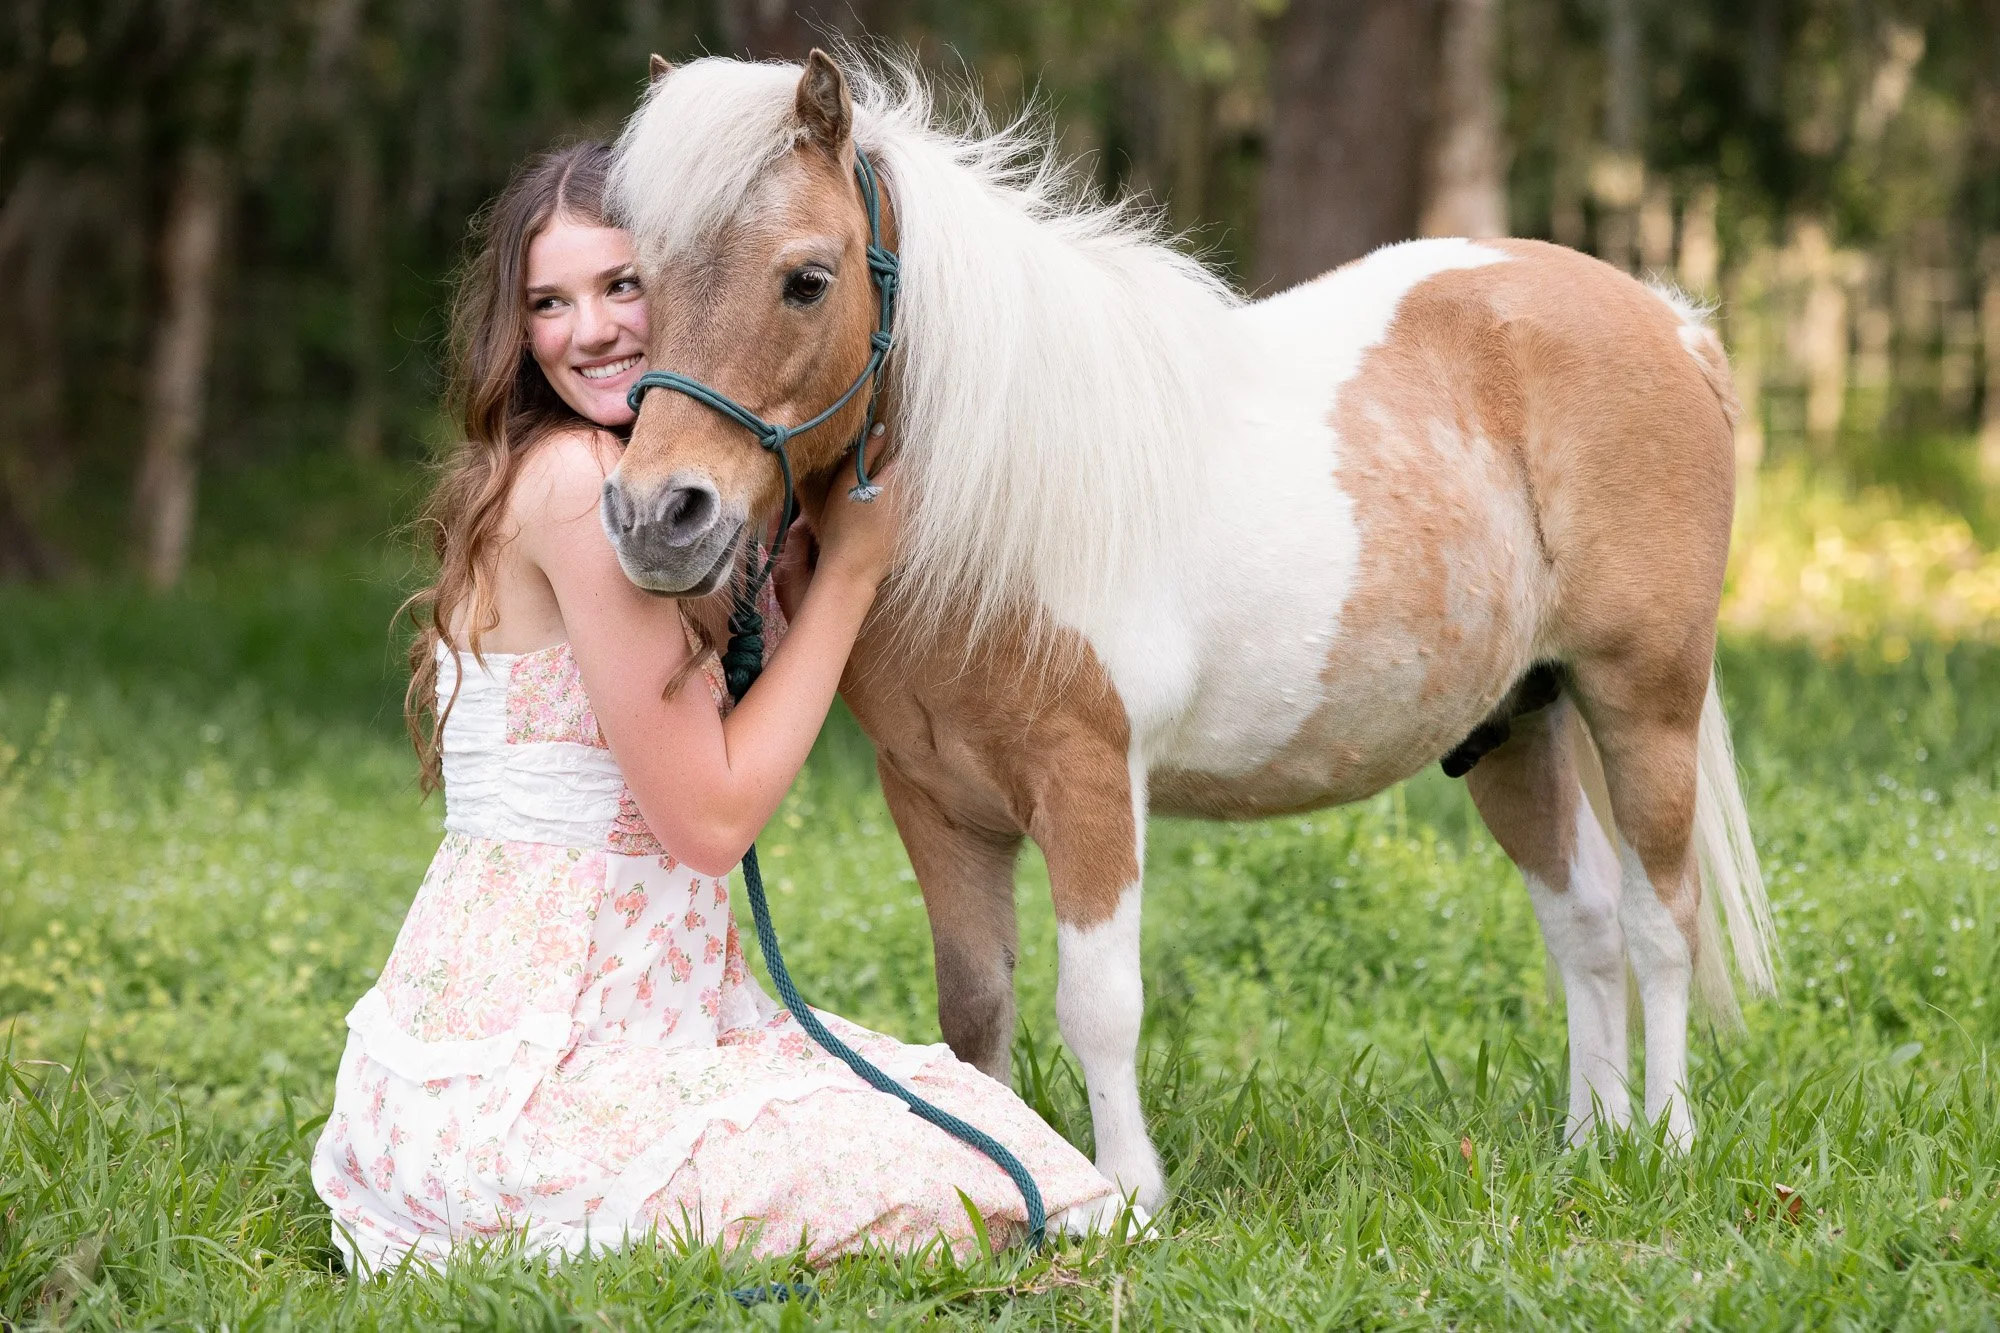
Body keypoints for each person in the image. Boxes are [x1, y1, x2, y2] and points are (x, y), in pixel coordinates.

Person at [309, 141, 1121, 1271]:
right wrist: (848, 573)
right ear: (517, 323)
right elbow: (710, 819)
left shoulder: (577, 469)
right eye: (549, 301)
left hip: (565, 1032)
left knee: (974, 1130)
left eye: (620, 286)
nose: (588, 329)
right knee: (1011, 1190)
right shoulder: (581, 489)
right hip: (547, 1068)